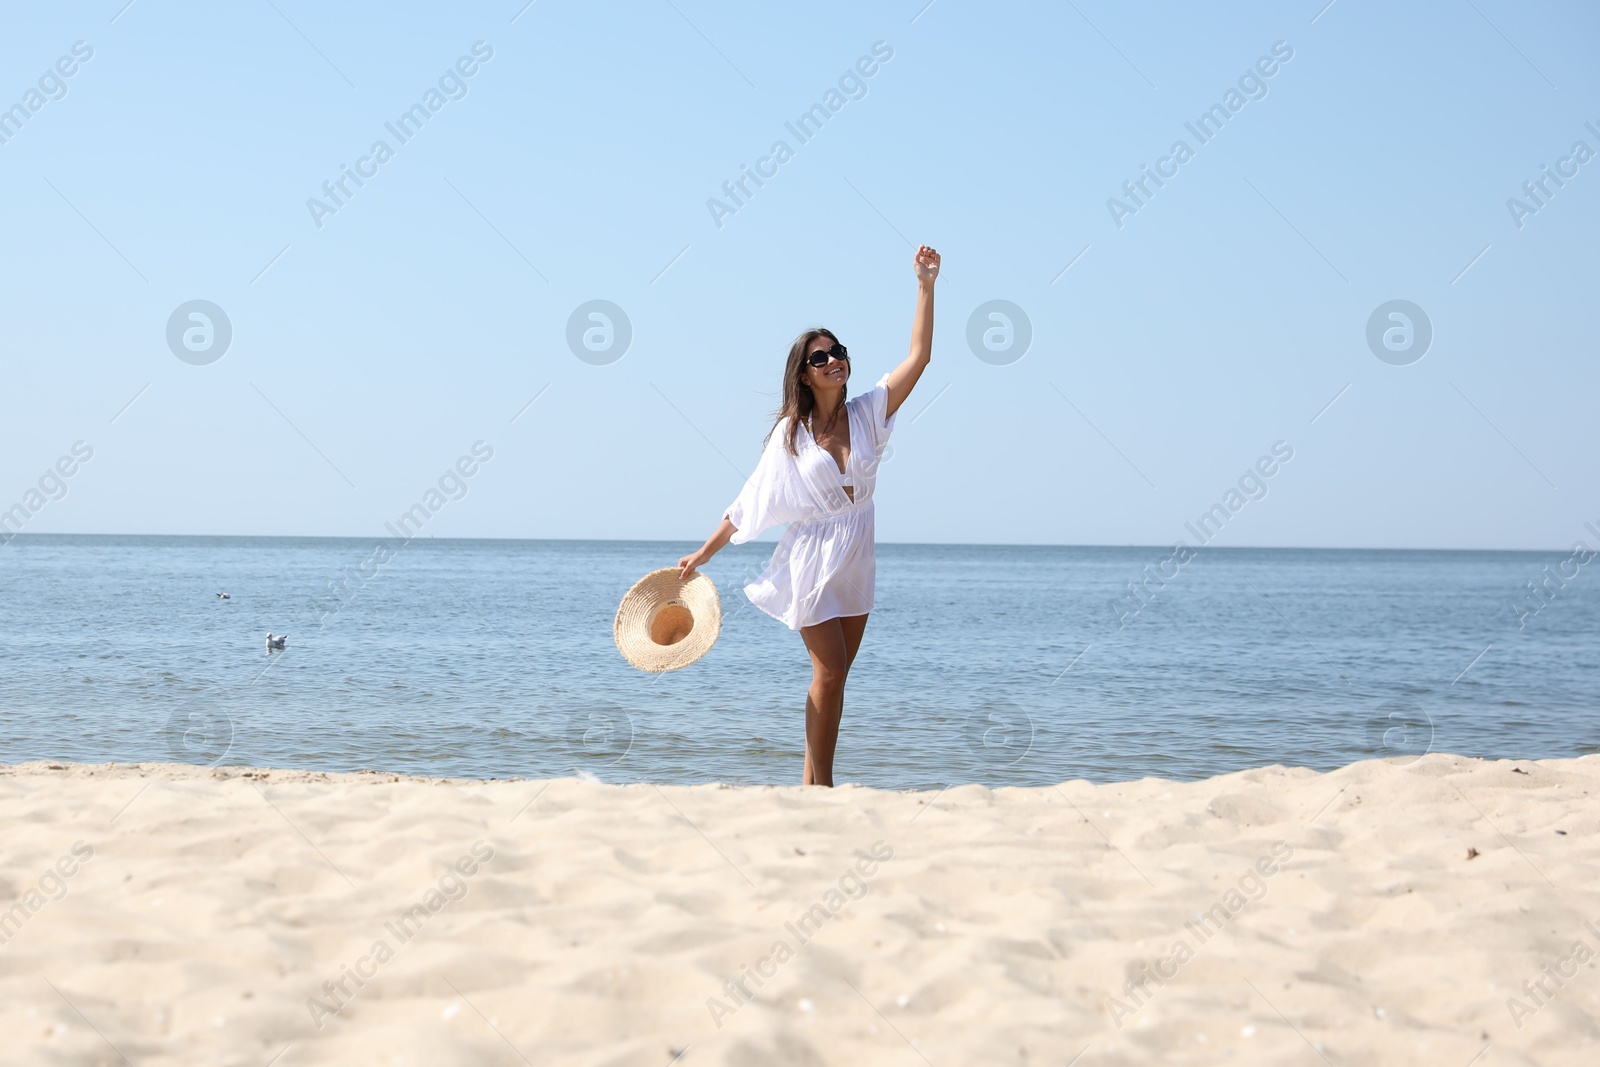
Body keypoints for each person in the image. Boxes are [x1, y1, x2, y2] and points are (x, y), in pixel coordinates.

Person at [677, 244, 941, 786]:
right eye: (820, 357)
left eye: (838, 351)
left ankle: (809, 785)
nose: (833, 360)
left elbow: (921, 356)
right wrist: (706, 551)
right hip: (812, 557)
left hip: (858, 554)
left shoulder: (870, 412)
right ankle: (822, 789)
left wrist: (925, 284)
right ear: (804, 374)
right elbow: (751, 498)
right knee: (829, 669)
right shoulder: (790, 437)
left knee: (839, 678)